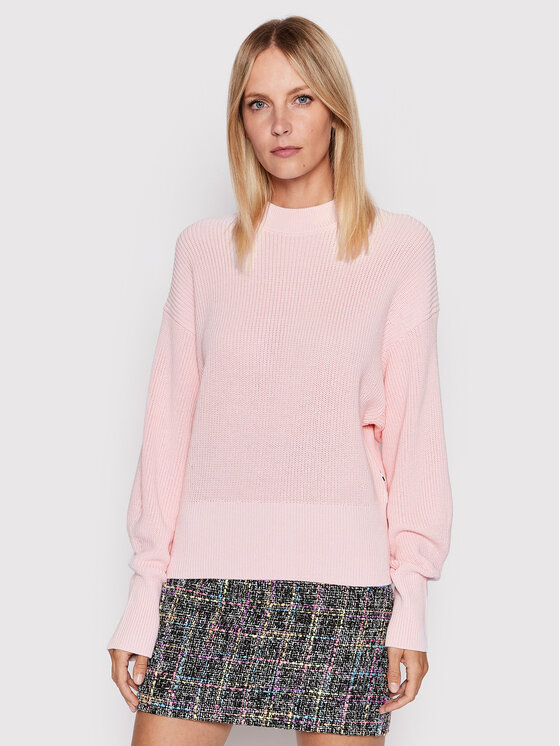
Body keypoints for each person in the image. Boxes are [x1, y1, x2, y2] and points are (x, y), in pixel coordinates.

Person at [107, 15, 453, 746]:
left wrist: (411, 605)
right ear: (240, 121)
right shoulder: (203, 251)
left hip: (344, 588)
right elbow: (168, 434)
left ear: (335, 109)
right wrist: (144, 598)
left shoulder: (399, 248)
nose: (280, 124)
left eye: (301, 98)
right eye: (258, 103)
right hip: (204, 582)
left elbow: (414, 437)